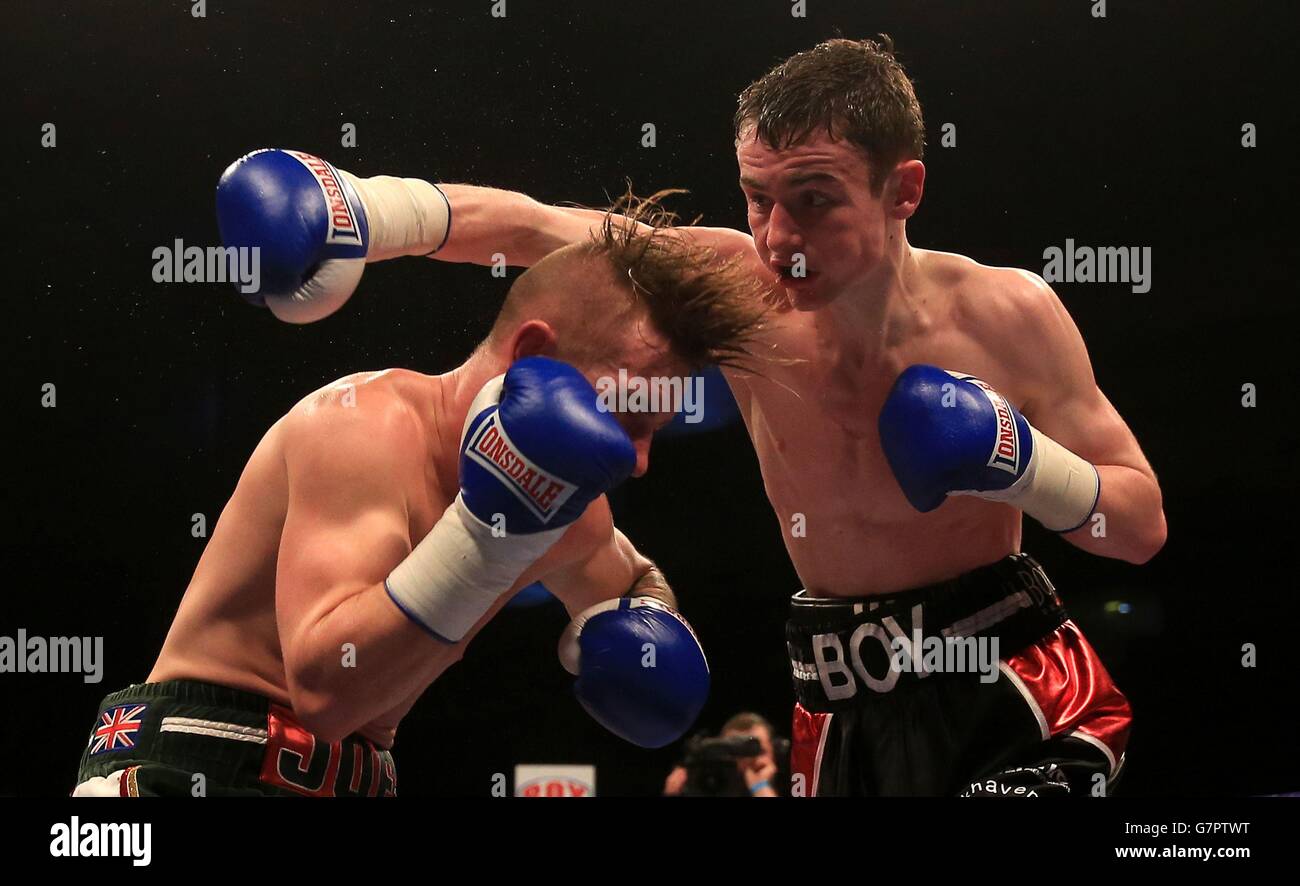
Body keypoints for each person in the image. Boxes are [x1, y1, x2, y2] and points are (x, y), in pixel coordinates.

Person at [259, 34, 1167, 796]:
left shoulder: (1008, 316)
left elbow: (1138, 526)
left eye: (813, 200)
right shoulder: (743, 287)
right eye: (757, 198)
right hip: (835, 700)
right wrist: (366, 210)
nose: (777, 237)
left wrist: (1021, 462)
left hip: (1005, 670)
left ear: (905, 191)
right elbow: (533, 228)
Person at [71, 154, 768, 796]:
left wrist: (650, 613)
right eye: (629, 419)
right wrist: (492, 541)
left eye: (653, 430)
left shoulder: (572, 514)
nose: (638, 462)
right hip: (190, 763)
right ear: (533, 357)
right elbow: (326, 690)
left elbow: (632, 574)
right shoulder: (359, 427)